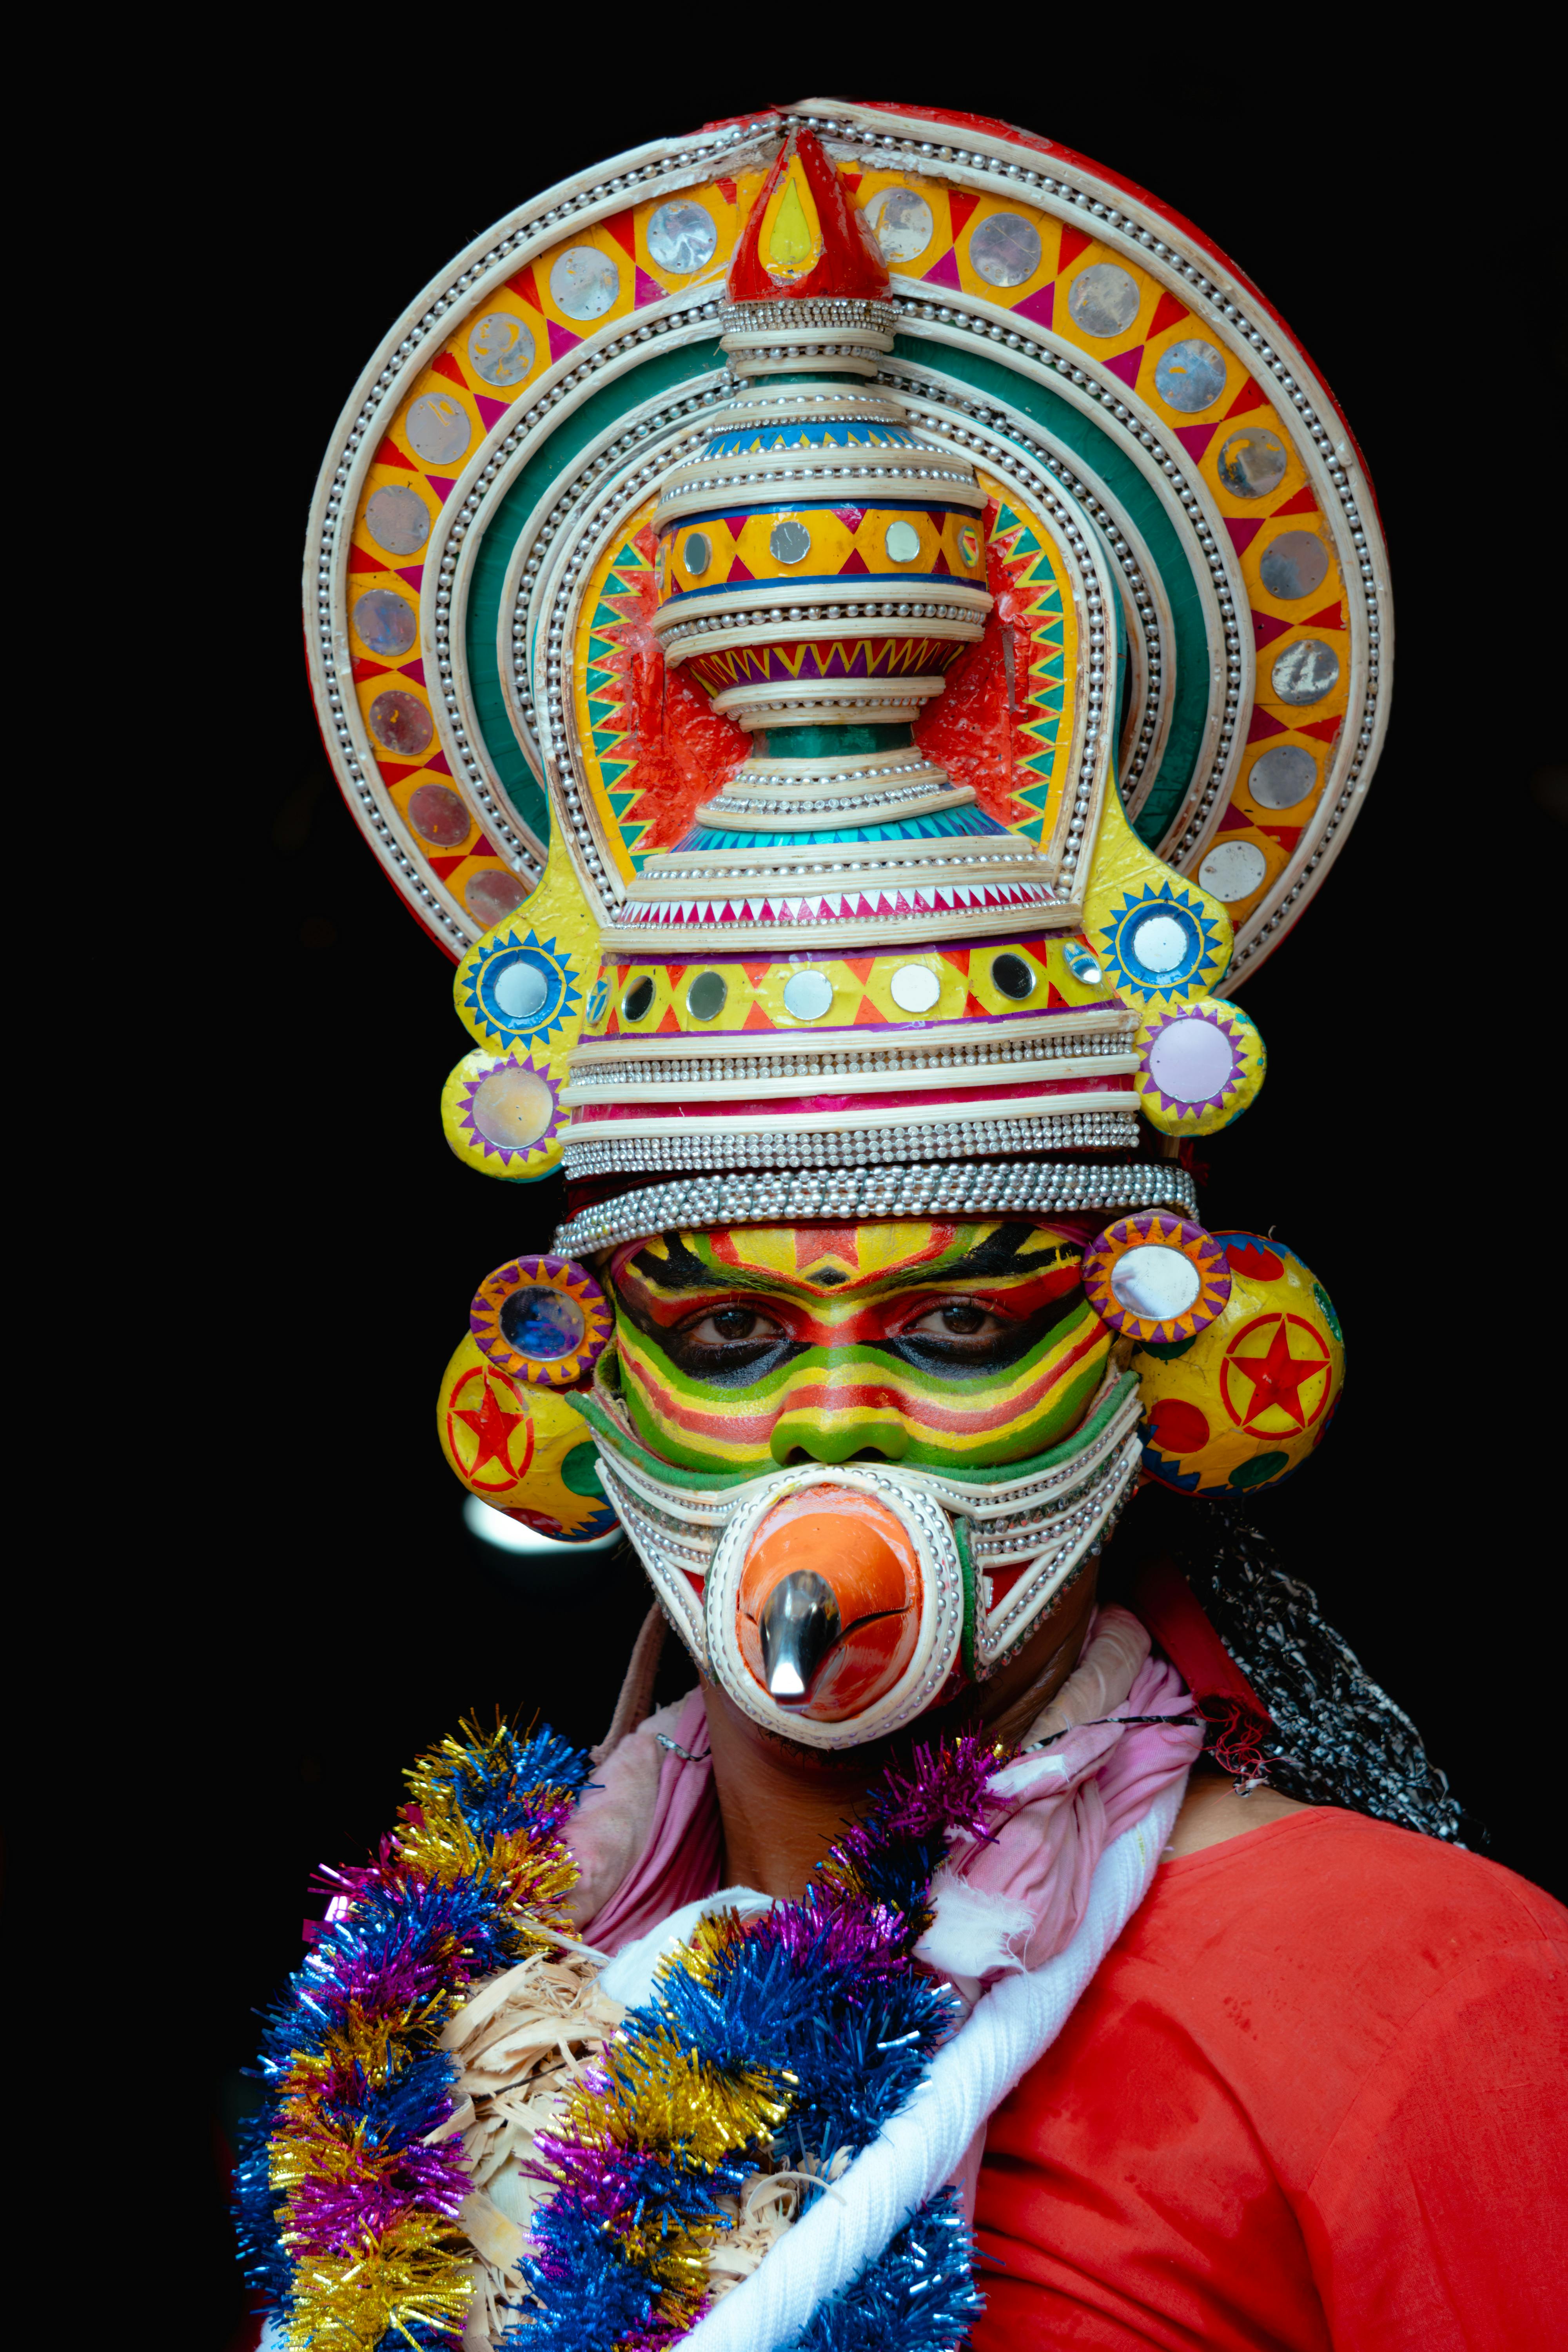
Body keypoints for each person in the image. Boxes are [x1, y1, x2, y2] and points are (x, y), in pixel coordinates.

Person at [242, 102, 1566, 2352]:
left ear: (1179, 1348)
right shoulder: (459, 2040)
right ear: (551, 1376)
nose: (829, 1444)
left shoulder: (1425, 1999)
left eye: (960, 1328)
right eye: (730, 1336)